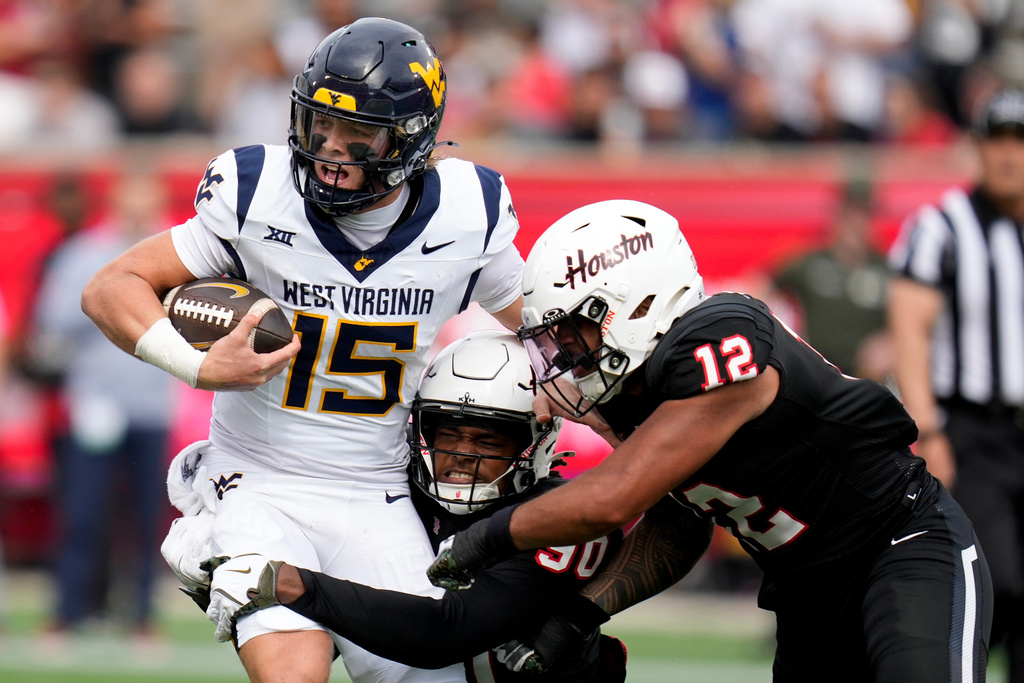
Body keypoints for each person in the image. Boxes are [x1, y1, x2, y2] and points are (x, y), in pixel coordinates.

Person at [82, 17, 524, 683]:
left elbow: (549, 334)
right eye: (320, 126)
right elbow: (111, 286)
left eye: (358, 135)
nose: (330, 150)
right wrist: (198, 363)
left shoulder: (468, 214)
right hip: (257, 480)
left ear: (411, 138)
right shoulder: (260, 193)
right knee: (293, 674)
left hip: (377, 494)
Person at [426, 199, 993, 682]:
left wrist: (482, 540)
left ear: (636, 301)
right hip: (808, 592)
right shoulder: (634, 391)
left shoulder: (721, 334)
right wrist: (578, 613)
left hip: (901, 546)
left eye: (577, 329)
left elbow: (615, 497)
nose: (569, 355)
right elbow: (681, 523)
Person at [200, 330, 631, 681]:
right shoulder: (397, 493)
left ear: (535, 445)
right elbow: (351, 621)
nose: (463, 453)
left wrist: (291, 582)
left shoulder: (562, 514)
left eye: (488, 440)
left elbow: (443, 632)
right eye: (449, 433)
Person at [888, 85, 1024, 683]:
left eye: (1020, 141)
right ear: (977, 147)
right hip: (973, 431)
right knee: (1004, 580)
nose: (1009, 154)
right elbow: (909, 331)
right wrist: (930, 430)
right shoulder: (942, 227)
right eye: (997, 139)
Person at [32, 172, 177, 637]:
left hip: (151, 404)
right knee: (83, 512)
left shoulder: (176, 255)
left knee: (145, 515)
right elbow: (53, 322)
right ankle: (68, 612)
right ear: (115, 200)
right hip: (96, 403)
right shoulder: (86, 253)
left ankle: (140, 618)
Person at [771, 179, 891, 381]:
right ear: (837, 216)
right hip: (815, 370)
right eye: (849, 214)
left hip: (866, 376)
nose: (855, 224)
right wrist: (778, 336)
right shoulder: (811, 261)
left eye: (863, 215)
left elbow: (915, 319)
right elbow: (760, 287)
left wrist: (892, 342)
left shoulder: (887, 268)